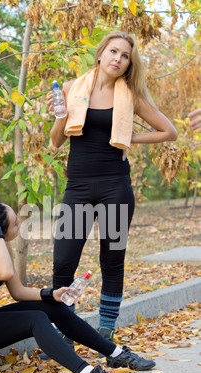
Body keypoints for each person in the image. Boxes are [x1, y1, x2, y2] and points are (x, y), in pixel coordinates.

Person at [46, 30, 177, 350]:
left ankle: (106, 328)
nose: (118, 58)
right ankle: (66, 326)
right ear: (101, 53)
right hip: (77, 186)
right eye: (114, 51)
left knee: (112, 259)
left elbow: (168, 131)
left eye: (125, 55)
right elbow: (55, 142)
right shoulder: (71, 88)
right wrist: (60, 115)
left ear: (129, 64)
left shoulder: (130, 96)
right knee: (63, 261)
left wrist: (130, 138)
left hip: (115, 186)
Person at [0, 202, 155, 373]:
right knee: (35, 319)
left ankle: (115, 353)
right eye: (15, 223)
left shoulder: (2, 245)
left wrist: (51, 294)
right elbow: (3, 271)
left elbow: (18, 291)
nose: (20, 223)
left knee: (51, 306)